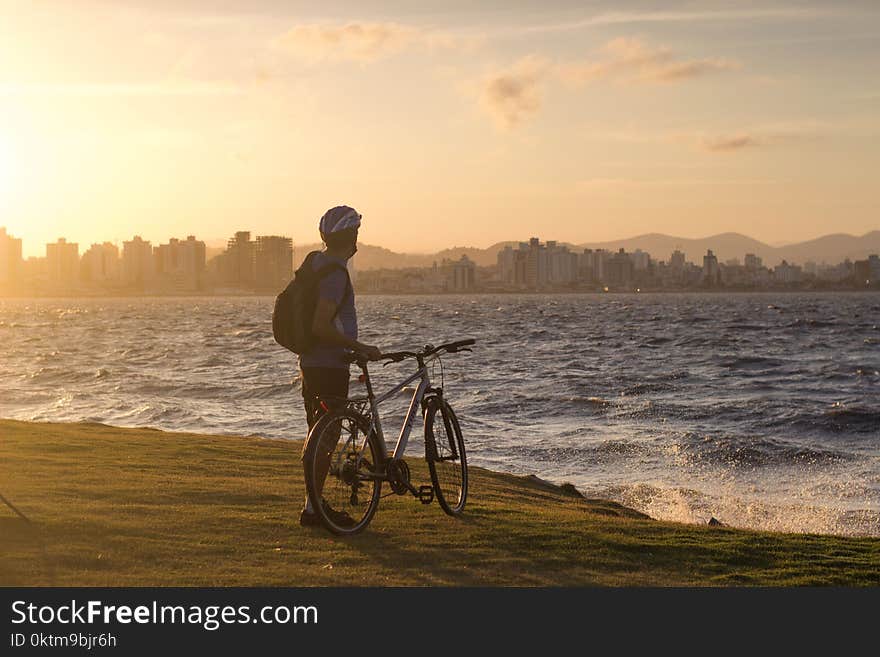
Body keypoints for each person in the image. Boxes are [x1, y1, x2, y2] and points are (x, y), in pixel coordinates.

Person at [299, 205, 381, 527]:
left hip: (311, 364)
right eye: (356, 231)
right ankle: (313, 510)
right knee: (326, 437)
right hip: (329, 366)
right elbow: (321, 325)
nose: (358, 237)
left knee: (318, 436)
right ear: (350, 235)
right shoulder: (334, 273)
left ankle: (312, 507)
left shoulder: (316, 264)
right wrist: (359, 347)